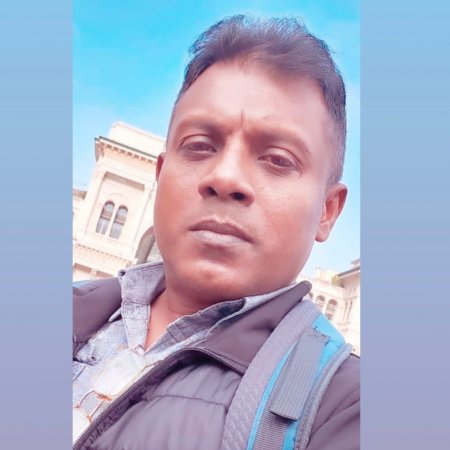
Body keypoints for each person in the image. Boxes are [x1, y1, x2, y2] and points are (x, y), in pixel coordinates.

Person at [73, 15, 359, 450]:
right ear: (161, 175)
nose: (225, 177)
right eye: (199, 146)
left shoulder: (348, 408)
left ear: (327, 210)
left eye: (277, 159)